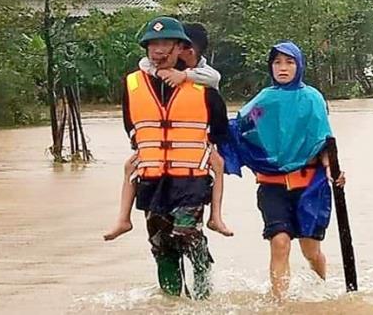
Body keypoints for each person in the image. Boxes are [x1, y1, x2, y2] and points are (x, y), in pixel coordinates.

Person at [110, 16, 230, 299]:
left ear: (180, 48)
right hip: (151, 180)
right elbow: (132, 125)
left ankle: (203, 299)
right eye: (153, 44)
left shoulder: (203, 86)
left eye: (166, 43)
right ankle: (173, 303)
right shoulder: (132, 84)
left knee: (187, 233)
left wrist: (212, 152)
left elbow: (220, 128)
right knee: (162, 248)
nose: (159, 50)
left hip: (191, 180)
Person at [221, 41, 346, 300]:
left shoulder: (312, 99)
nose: (283, 68)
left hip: (310, 185)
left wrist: (333, 170)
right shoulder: (264, 100)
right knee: (280, 243)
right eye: (277, 62)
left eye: (289, 62)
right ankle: (281, 303)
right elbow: (241, 126)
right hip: (273, 185)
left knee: (311, 250)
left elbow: (323, 142)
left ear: (299, 65)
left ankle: (322, 290)